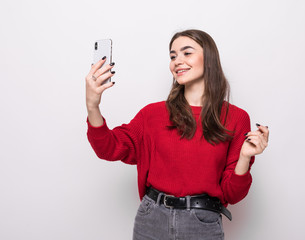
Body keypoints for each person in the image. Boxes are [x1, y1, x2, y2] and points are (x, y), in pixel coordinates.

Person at [85, 29, 269, 240]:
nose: (177, 61)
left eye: (186, 53)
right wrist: (92, 106)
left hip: (202, 224)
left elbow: (233, 194)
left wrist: (245, 157)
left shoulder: (235, 118)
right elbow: (108, 148)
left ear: (209, 59)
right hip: (151, 219)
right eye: (173, 56)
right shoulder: (152, 114)